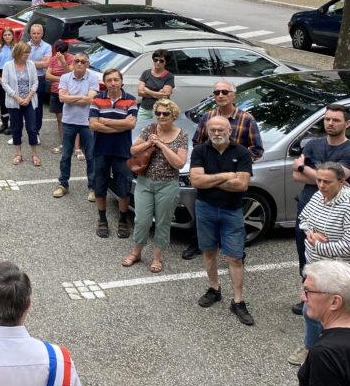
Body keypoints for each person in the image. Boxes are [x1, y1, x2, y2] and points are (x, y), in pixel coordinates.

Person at [288, 162, 350, 366]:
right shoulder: (317, 197)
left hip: (339, 273)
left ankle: (326, 352)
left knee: (334, 316)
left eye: (327, 182)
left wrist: (322, 246)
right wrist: (310, 234)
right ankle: (315, 348)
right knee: (312, 310)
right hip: (317, 268)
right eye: (319, 180)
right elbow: (304, 218)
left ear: (341, 182)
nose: (321, 185)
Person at [290, 103, 350, 316]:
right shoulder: (313, 144)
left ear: (347, 123)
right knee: (306, 256)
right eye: (327, 119)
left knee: (330, 261)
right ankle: (309, 296)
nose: (330, 123)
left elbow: (330, 178)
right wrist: (305, 173)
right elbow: (296, 176)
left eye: (336, 120)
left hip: (334, 212)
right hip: (308, 205)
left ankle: (332, 302)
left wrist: (304, 167)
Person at [183, 79, 263, 260]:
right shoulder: (207, 117)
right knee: (202, 212)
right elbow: (197, 142)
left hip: (234, 177)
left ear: (233, 95)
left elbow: (257, 149)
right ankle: (198, 244)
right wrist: (205, 163)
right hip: (208, 173)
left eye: (224, 92)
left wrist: (238, 163)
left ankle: (237, 254)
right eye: (217, 92)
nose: (220, 95)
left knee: (234, 217)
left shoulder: (246, 119)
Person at [189, 116, 255, 326]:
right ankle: (214, 288)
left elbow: (242, 185)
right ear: (207, 131)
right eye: (213, 130)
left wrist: (210, 180)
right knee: (209, 251)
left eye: (220, 130)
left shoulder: (242, 152)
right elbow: (196, 181)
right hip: (205, 209)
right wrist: (227, 175)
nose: (216, 133)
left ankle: (238, 301)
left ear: (229, 131)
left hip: (232, 211)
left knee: (235, 257)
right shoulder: (200, 150)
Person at [123, 99, 188, 274]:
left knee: (163, 223)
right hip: (145, 182)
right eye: (158, 113)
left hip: (168, 185)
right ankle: (136, 253)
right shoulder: (149, 129)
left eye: (165, 113)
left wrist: (162, 145)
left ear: (173, 115)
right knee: (141, 220)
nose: (161, 116)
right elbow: (133, 150)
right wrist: (149, 143)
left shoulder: (181, 135)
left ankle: (157, 258)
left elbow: (179, 163)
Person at [88, 68, 137, 239]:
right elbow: (93, 125)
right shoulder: (96, 99)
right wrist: (119, 125)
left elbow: (131, 124)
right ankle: (102, 220)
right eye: (109, 80)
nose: (113, 83)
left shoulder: (131, 100)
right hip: (101, 150)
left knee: (123, 186)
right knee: (99, 185)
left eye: (116, 80)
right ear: (105, 83)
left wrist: (104, 121)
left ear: (121, 81)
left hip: (122, 151)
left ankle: (123, 220)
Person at [54, 52, 99, 199]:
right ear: (72, 63)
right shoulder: (65, 77)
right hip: (68, 121)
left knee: (91, 156)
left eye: (83, 61)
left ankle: (92, 187)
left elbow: (91, 99)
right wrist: (82, 97)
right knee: (66, 155)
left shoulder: (93, 77)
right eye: (77, 61)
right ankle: (63, 184)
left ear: (87, 64)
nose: (80, 63)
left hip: (87, 123)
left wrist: (71, 98)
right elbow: (62, 98)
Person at [1, 42, 40, 166]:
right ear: (18, 53)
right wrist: (16, 97)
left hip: (29, 101)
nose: (27, 55)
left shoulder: (31, 64)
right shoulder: (8, 66)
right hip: (14, 102)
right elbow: (4, 83)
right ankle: (18, 154)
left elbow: (35, 82)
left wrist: (28, 97)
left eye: (28, 53)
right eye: (25, 53)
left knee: (32, 128)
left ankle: (34, 154)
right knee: (16, 128)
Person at [46, 40, 75, 152]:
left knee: (70, 118)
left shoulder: (72, 59)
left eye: (63, 52)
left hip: (68, 92)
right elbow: (48, 75)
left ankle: (73, 144)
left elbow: (71, 74)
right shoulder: (53, 59)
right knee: (59, 118)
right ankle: (63, 142)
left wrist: (63, 62)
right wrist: (61, 79)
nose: (60, 54)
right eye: (59, 52)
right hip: (55, 91)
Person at [136, 50, 174, 131]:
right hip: (145, 109)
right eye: (156, 60)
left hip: (160, 110)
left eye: (161, 61)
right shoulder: (146, 73)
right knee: (139, 130)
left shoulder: (169, 76)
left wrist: (147, 90)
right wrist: (157, 94)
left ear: (165, 62)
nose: (158, 62)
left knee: (157, 131)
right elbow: (140, 92)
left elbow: (165, 95)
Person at [27, 23, 51, 142]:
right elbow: (20, 61)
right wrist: (38, 63)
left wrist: (29, 62)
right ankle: (25, 131)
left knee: (38, 107)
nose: (36, 35)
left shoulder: (47, 47)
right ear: (30, 34)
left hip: (40, 79)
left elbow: (46, 64)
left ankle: (36, 132)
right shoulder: (25, 46)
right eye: (33, 33)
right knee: (24, 106)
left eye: (38, 33)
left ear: (42, 34)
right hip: (26, 80)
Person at [0, 27, 17, 135]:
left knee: (11, 100)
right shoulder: (0, 47)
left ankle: (13, 124)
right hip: (1, 74)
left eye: (9, 35)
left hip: (12, 74)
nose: (7, 37)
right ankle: (4, 123)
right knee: (2, 100)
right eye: (5, 35)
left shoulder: (16, 47)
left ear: (12, 36)